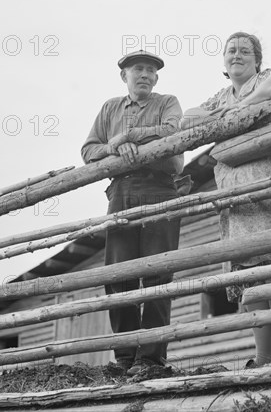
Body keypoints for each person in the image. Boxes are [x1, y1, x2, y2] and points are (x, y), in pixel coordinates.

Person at [182, 32, 271, 368]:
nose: (237, 55)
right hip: (240, 196)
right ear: (224, 60)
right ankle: (264, 356)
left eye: (244, 51)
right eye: (231, 50)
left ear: (257, 59)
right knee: (253, 274)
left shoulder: (265, 78)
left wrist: (241, 107)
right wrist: (221, 112)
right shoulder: (220, 96)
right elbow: (187, 118)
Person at [81, 50, 183, 375]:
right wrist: (113, 146)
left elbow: (171, 131)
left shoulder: (167, 102)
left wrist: (130, 138)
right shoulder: (110, 107)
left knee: (157, 273)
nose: (145, 75)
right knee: (119, 275)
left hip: (159, 189)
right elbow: (88, 150)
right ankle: (125, 356)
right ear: (123, 75)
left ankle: (151, 358)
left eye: (151, 71)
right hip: (121, 192)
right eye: (138, 69)